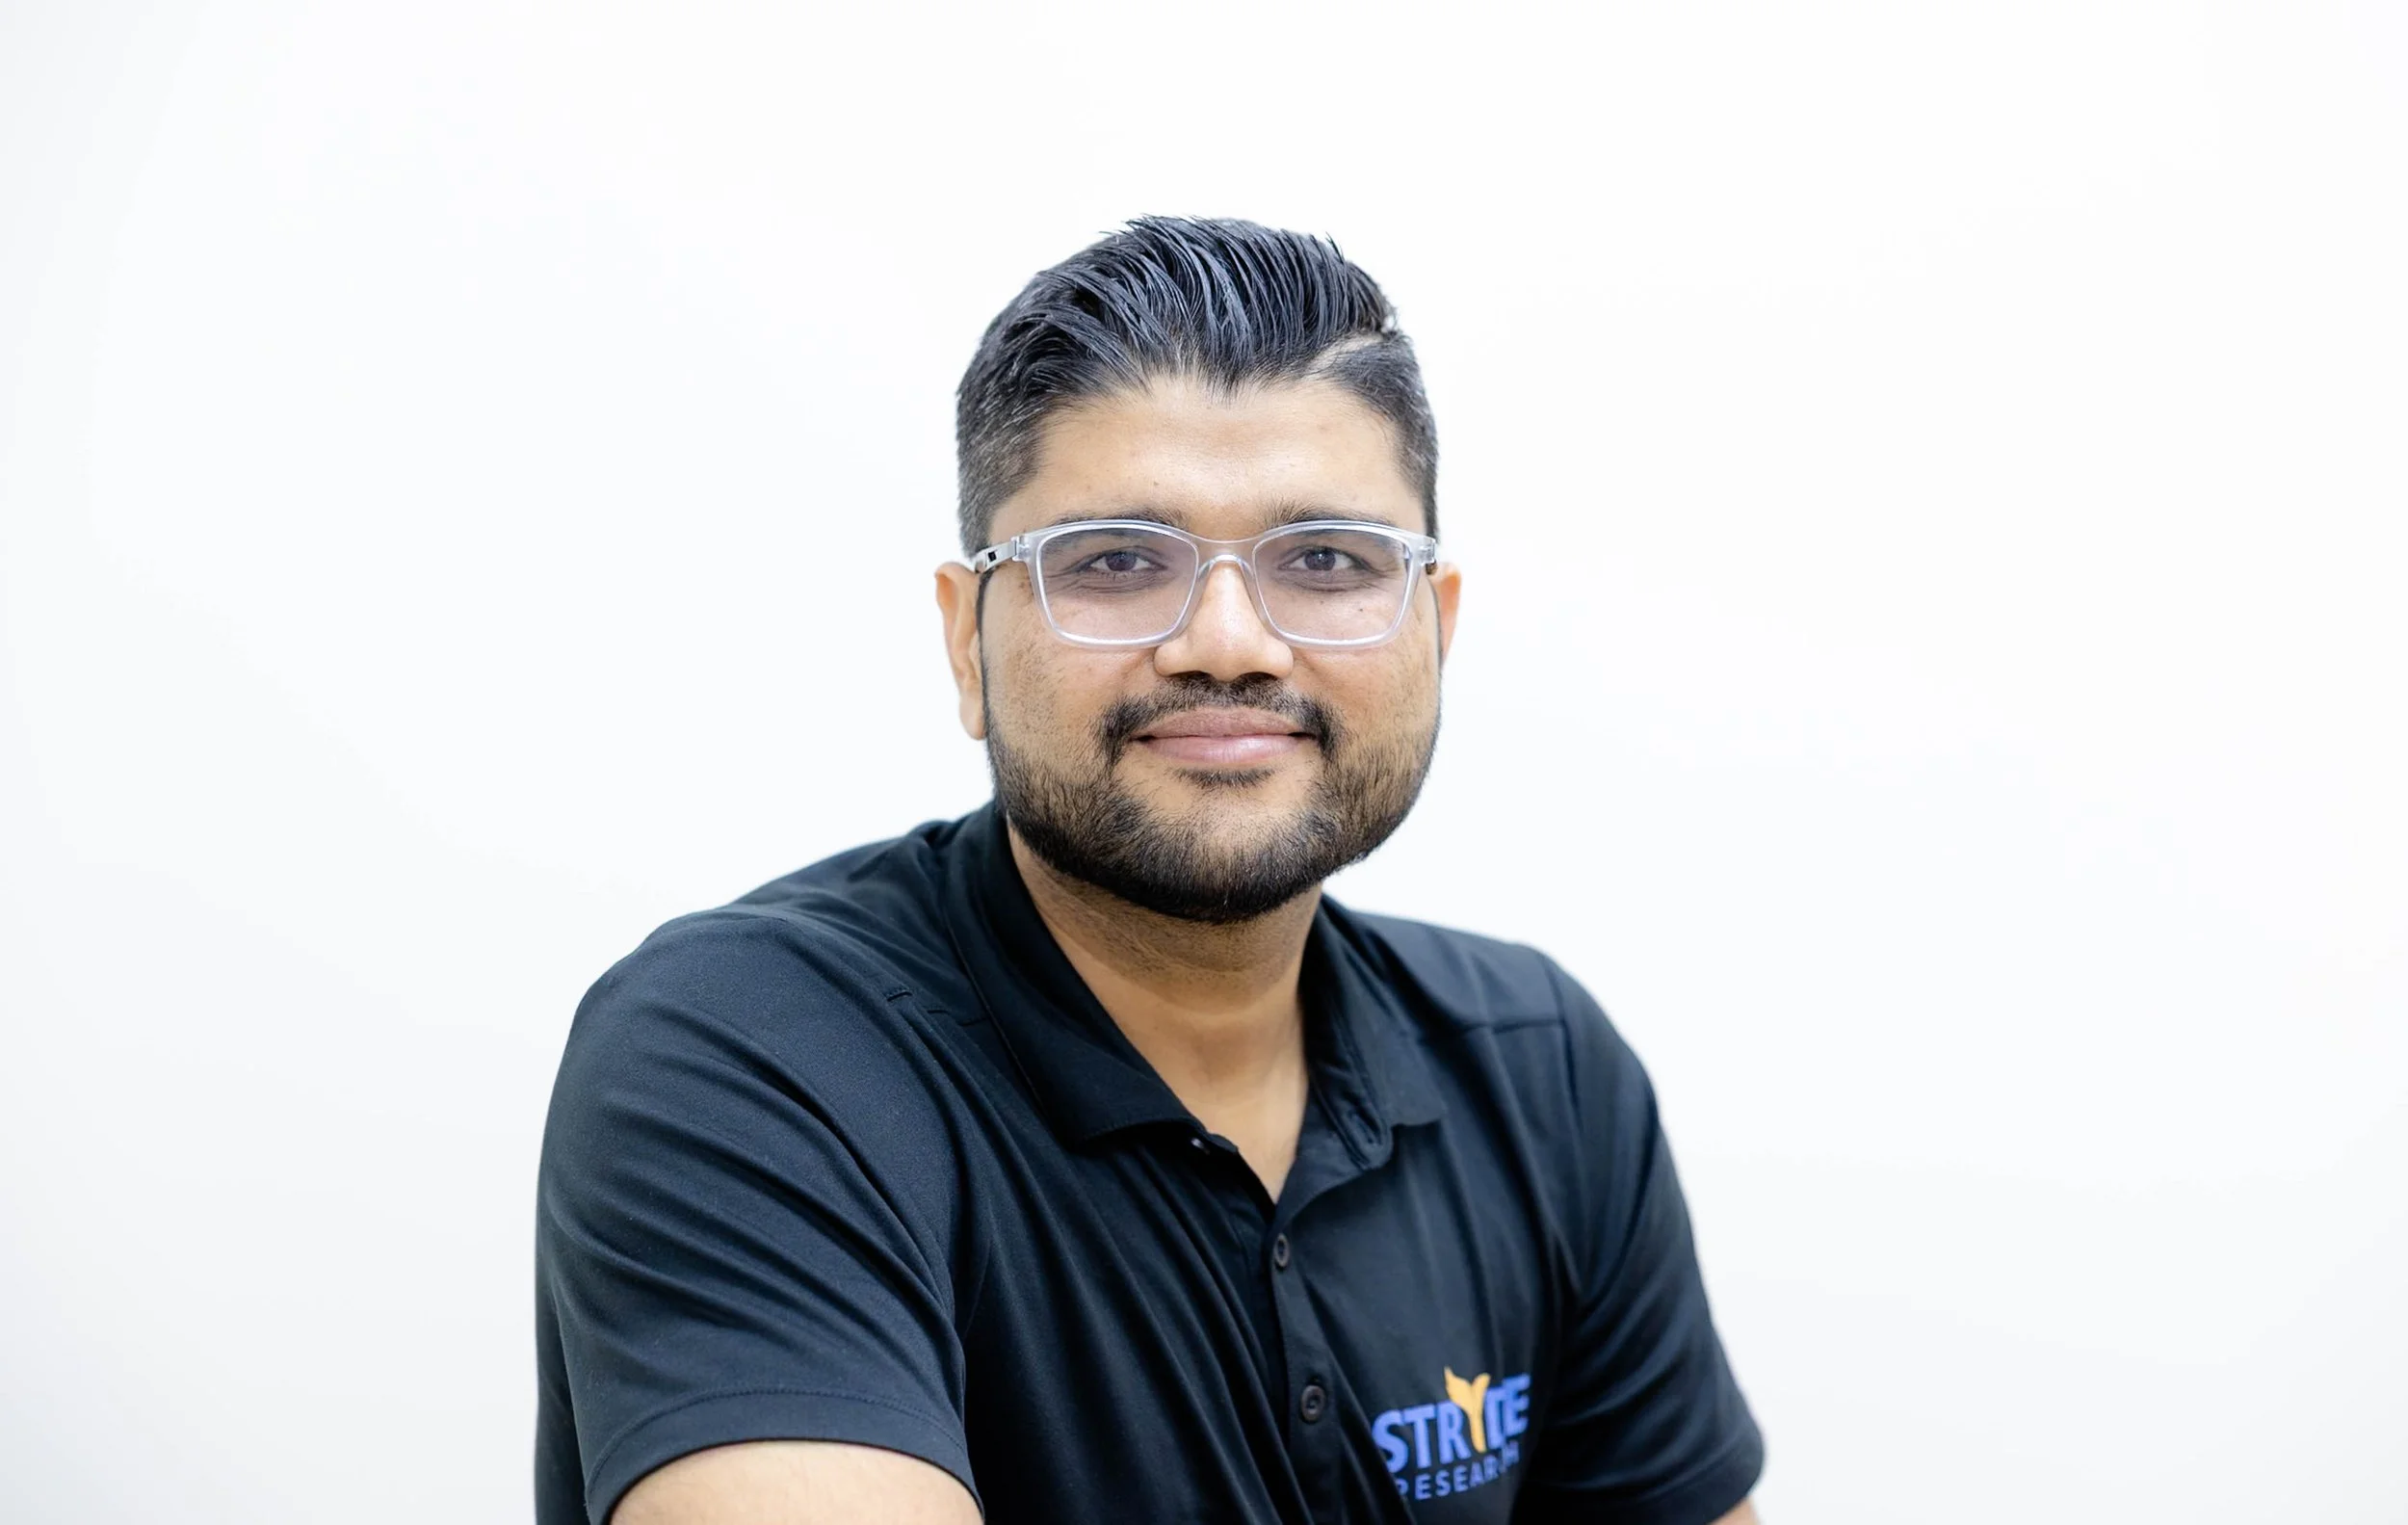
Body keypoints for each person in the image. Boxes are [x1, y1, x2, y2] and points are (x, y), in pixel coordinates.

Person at [534, 217, 1765, 1525]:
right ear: (967, 643)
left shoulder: (1540, 1076)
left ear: (1435, 628)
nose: (1227, 642)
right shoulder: (753, 1055)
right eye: (1117, 561)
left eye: (1327, 561)